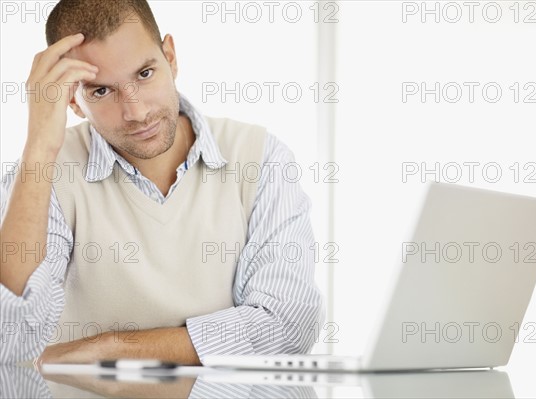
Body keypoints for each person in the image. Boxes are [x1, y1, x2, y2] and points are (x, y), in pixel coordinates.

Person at [0, 0, 324, 366]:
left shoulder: (262, 159)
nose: (136, 112)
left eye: (144, 74)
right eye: (101, 91)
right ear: (73, 100)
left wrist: (109, 352)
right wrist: (39, 146)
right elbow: (11, 340)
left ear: (170, 56)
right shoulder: (44, 177)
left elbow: (287, 327)